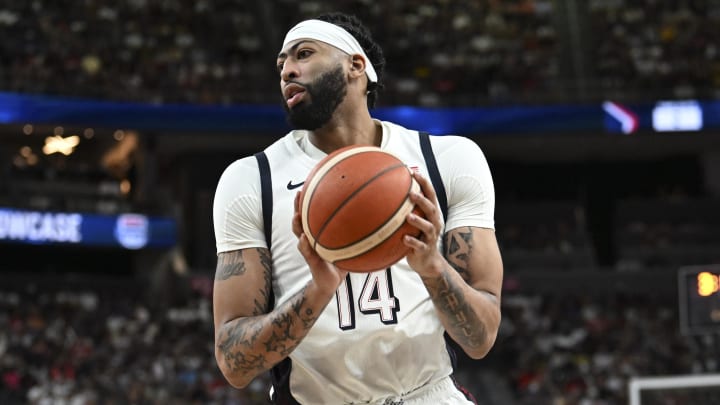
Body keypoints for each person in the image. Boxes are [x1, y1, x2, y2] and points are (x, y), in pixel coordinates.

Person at [212, 12, 503, 405]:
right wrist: (318, 290)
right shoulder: (251, 179)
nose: (287, 71)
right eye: (281, 64)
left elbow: (481, 339)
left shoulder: (446, 158)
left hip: (429, 395)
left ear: (356, 65)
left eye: (303, 53)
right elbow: (234, 364)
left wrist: (433, 266)